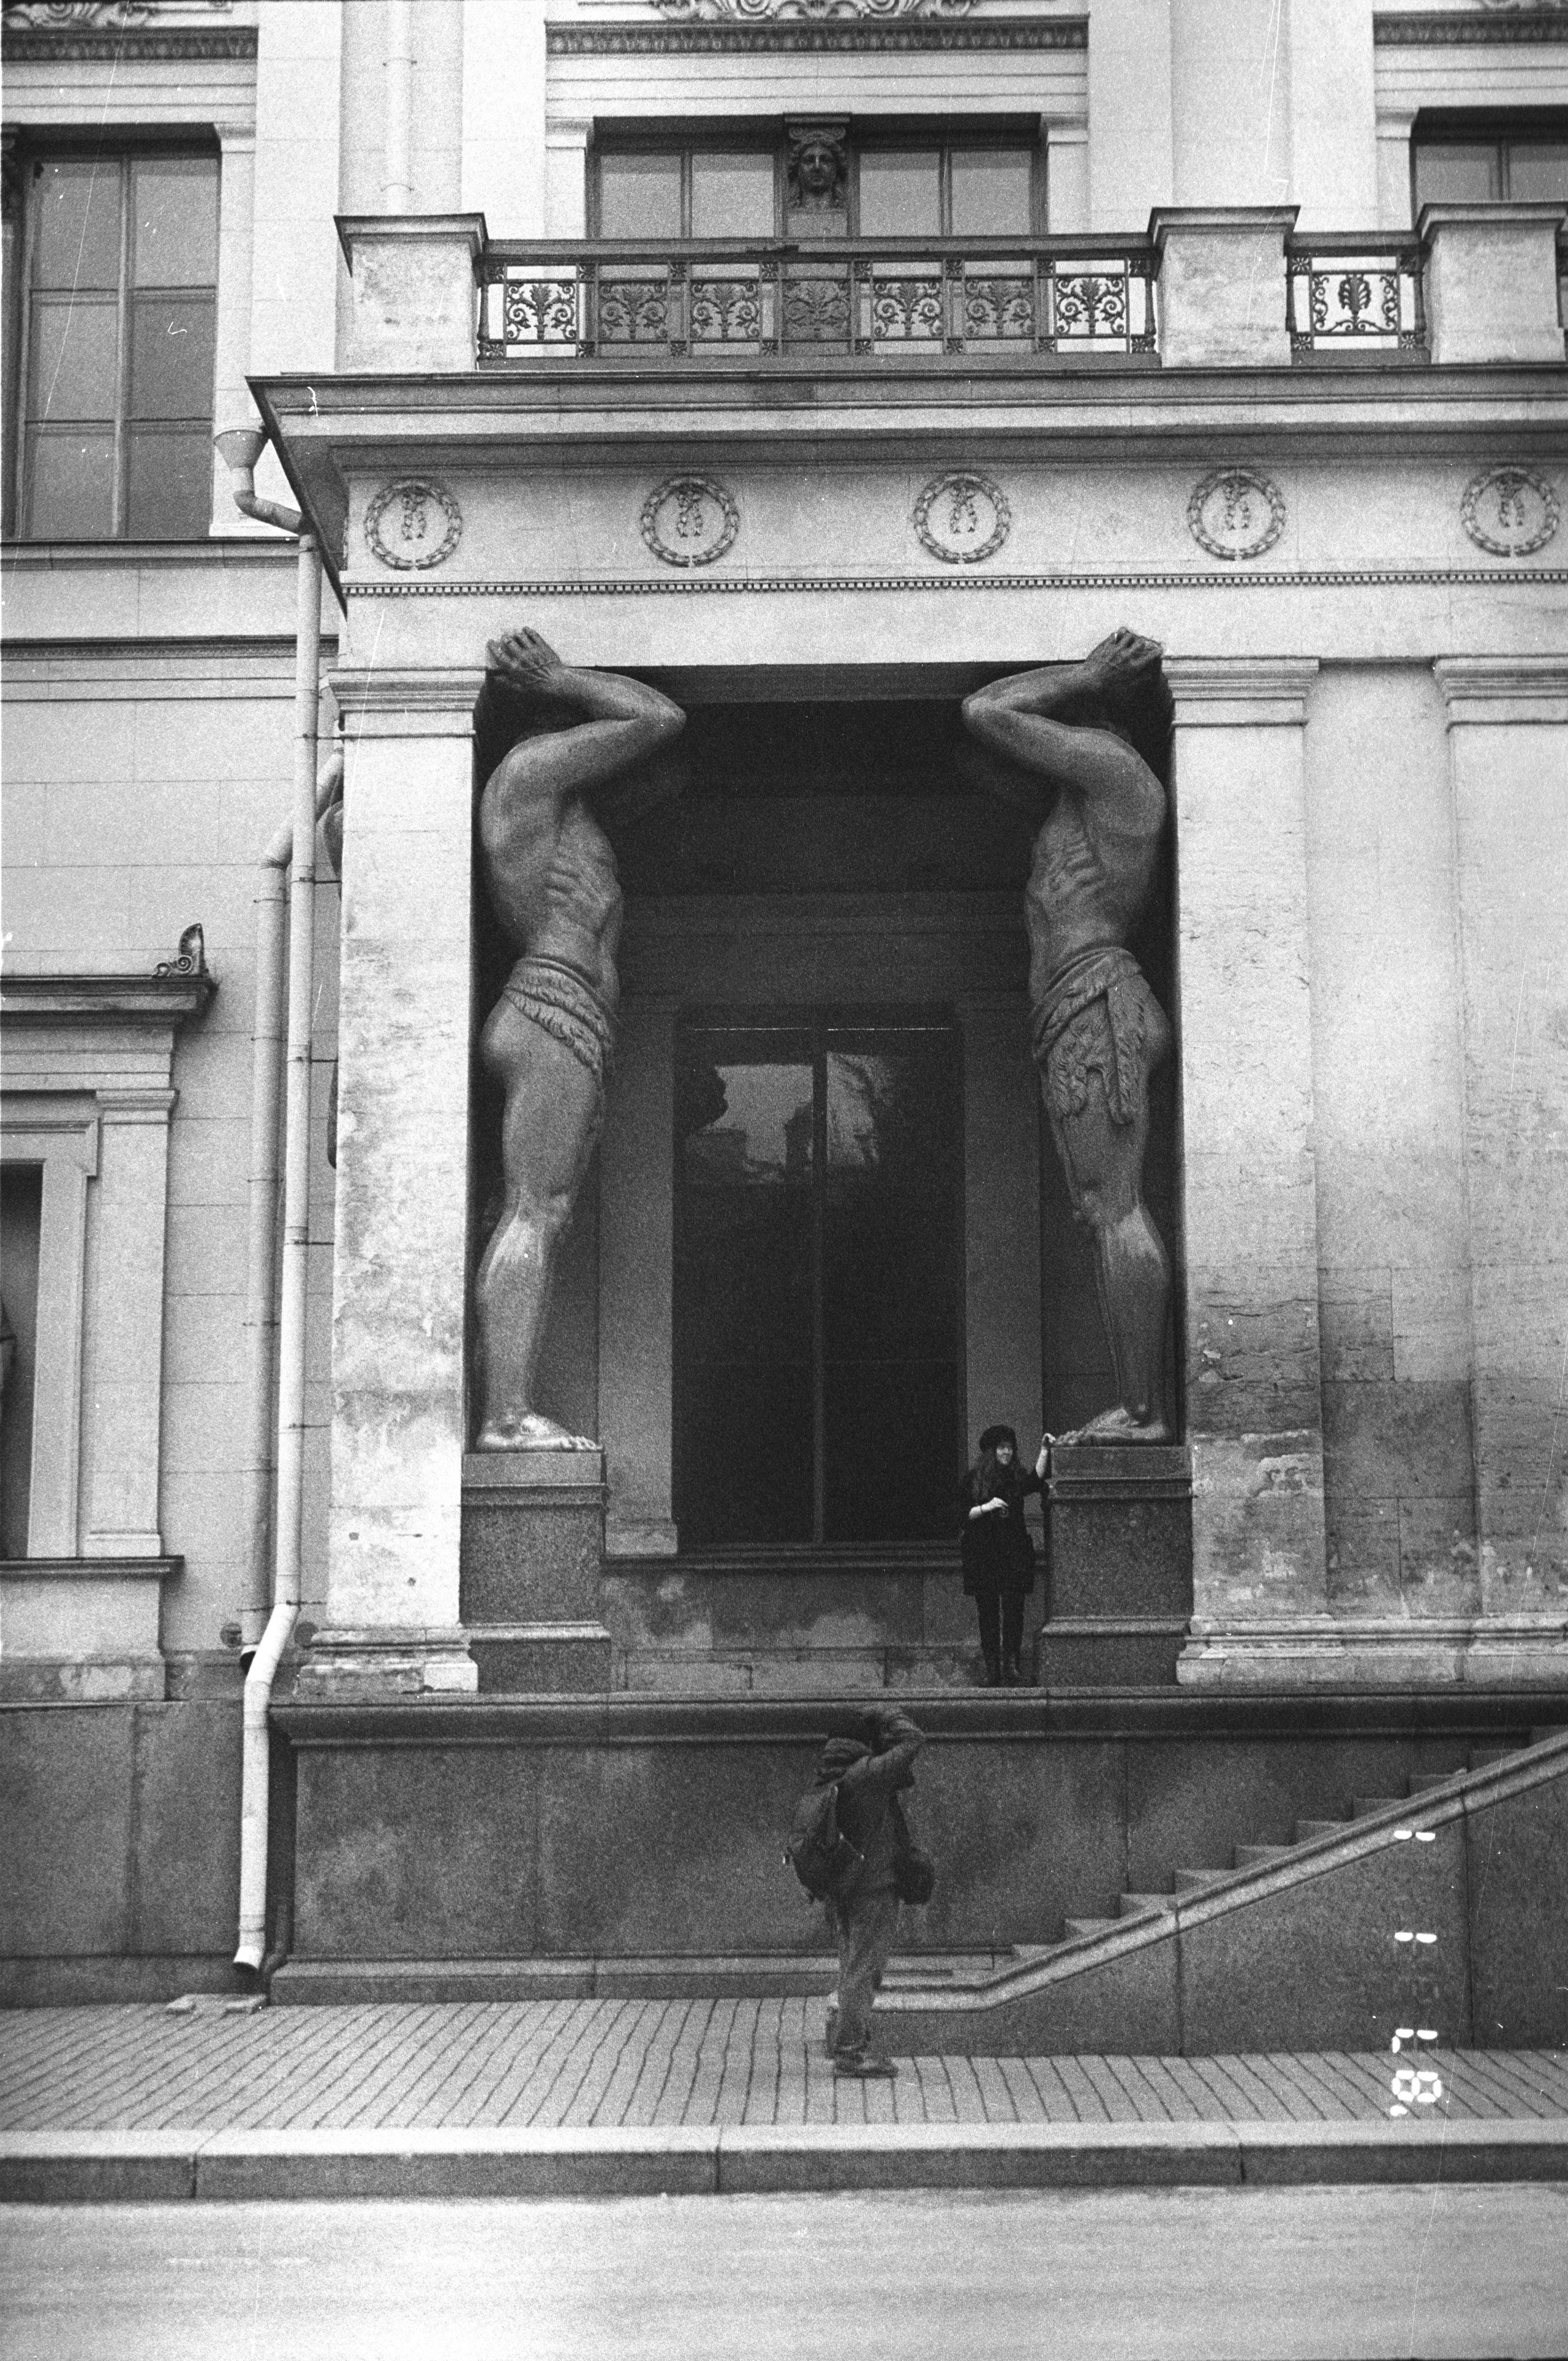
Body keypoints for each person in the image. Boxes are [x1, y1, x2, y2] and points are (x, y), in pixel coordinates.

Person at [472, 627, 685, 1448]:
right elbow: (654, 718)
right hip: (551, 1006)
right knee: (535, 1210)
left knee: (537, 1210)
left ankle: (508, 1409)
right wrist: (565, 672)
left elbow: (666, 767)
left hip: (572, 1016)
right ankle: (505, 1417)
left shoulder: (565, 809)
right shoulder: (526, 775)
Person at [962, 628, 1174, 1442]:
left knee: (1114, 1207)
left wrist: (1082, 672)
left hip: (1096, 999)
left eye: (1075, 709)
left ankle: (1144, 1412)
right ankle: (1135, 1404)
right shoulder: (1073, 805)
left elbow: (989, 711)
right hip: (1070, 1009)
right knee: (1099, 1210)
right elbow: (980, 754)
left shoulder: (1123, 780)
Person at [815, 1703, 926, 2079]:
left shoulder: (832, 1775)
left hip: (843, 1888)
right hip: (872, 1887)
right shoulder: (867, 1775)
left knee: (852, 1967)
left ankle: (852, 2041)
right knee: (865, 1970)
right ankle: (851, 2053)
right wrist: (886, 1713)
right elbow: (914, 1740)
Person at [960, 1424, 1047, 1685]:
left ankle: (1011, 1668)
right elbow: (963, 1515)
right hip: (984, 1551)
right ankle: (993, 1671)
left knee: (1014, 1610)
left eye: (1010, 1448)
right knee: (987, 1612)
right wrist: (987, 1506)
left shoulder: (1015, 1476)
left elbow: (1035, 1480)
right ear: (991, 1451)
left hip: (1012, 1551)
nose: (1007, 1453)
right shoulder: (974, 1479)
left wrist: (1044, 1450)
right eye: (1001, 1448)